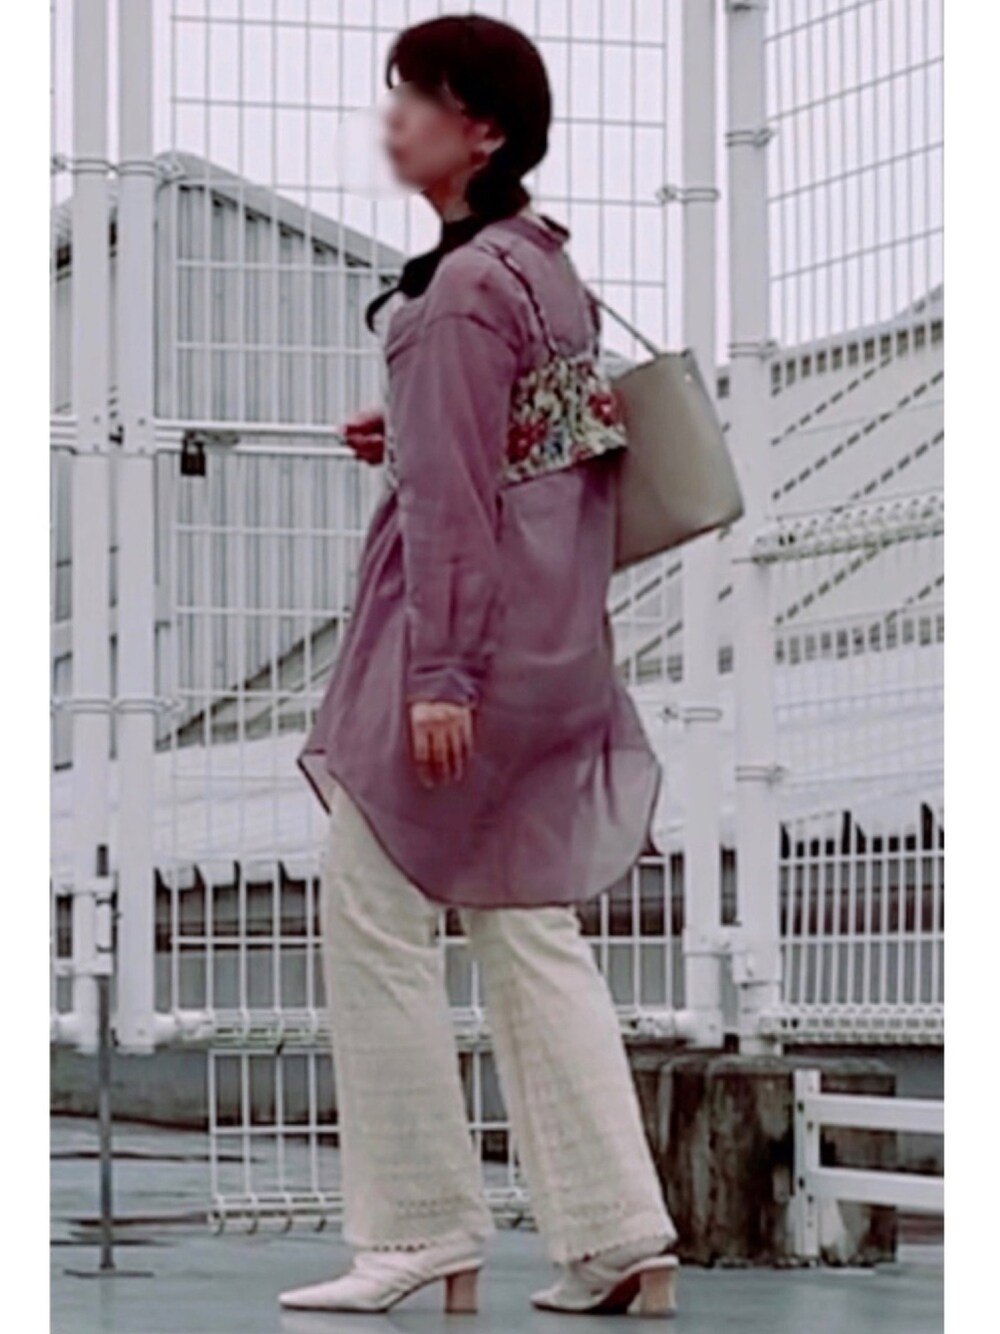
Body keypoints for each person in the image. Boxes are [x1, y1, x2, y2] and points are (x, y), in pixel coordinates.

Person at [283, 13, 680, 1319]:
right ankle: (620, 1234)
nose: (392, 119)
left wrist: (439, 675)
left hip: (462, 648)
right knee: (525, 920)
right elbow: (537, 443)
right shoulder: (540, 265)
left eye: (419, 98)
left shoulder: (452, 294)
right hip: (557, 639)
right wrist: (407, 420)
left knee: (374, 910)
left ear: (484, 130)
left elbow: (454, 503)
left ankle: (419, 1229)